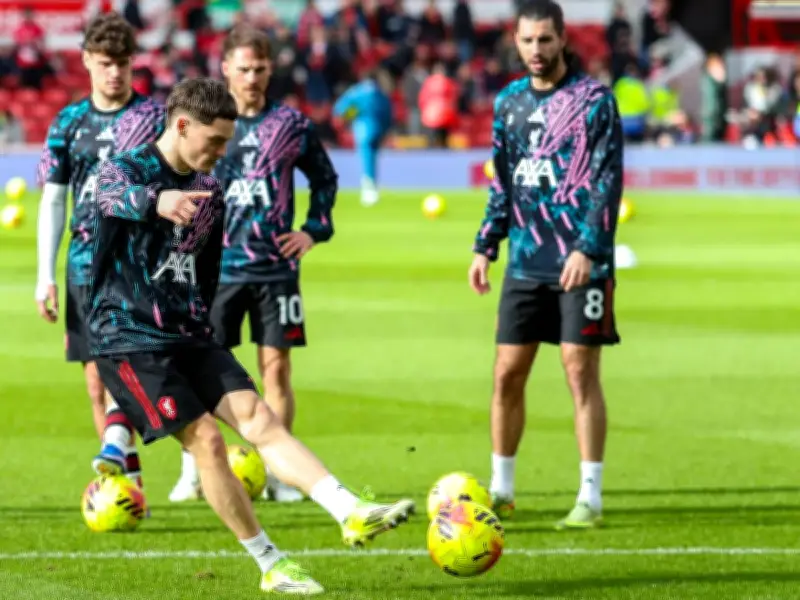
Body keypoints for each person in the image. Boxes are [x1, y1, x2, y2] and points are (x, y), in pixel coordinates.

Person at [89, 77, 414, 594]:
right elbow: (110, 196)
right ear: (182, 125)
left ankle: (350, 510)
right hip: (128, 336)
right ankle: (270, 563)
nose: (223, 152)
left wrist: (203, 325)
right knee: (207, 440)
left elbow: (206, 271)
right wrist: (157, 200)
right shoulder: (125, 170)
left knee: (259, 417)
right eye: (215, 141)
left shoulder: (210, 190)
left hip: (188, 332)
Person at [468, 0, 624, 530]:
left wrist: (587, 248)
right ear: (516, 41)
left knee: (579, 372)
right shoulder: (508, 102)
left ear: (563, 39)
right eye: (528, 40)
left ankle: (589, 497)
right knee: (507, 374)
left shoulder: (594, 101)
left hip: (580, 262)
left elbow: (606, 180)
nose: (536, 50)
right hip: (525, 260)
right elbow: (503, 181)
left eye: (545, 40)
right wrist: (486, 244)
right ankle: (502, 491)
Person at [168, 26, 338, 504]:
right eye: (243, 68)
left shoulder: (291, 124)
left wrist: (313, 230)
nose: (252, 77)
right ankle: (194, 470)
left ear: (270, 69)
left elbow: (324, 179)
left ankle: (280, 475)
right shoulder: (205, 123)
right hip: (214, 269)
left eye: (260, 68)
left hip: (274, 269)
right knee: (201, 370)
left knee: (276, 369)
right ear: (225, 68)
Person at [35, 12, 165, 496]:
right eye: (106, 63)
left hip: (138, 265)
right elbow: (53, 200)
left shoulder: (155, 119)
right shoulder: (69, 122)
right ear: (87, 60)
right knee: (95, 380)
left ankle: (120, 446)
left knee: (122, 366)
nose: (115, 72)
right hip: (83, 266)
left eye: (123, 63)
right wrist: (44, 276)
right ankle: (129, 485)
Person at [333, 69, 393, 206]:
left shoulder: (357, 91)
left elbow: (340, 108)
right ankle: (372, 186)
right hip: (378, 128)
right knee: (373, 156)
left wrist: (350, 116)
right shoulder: (380, 93)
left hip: (363, 128)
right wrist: (386, 129)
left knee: (366, 156)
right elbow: (388, 113)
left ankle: (368, 189)